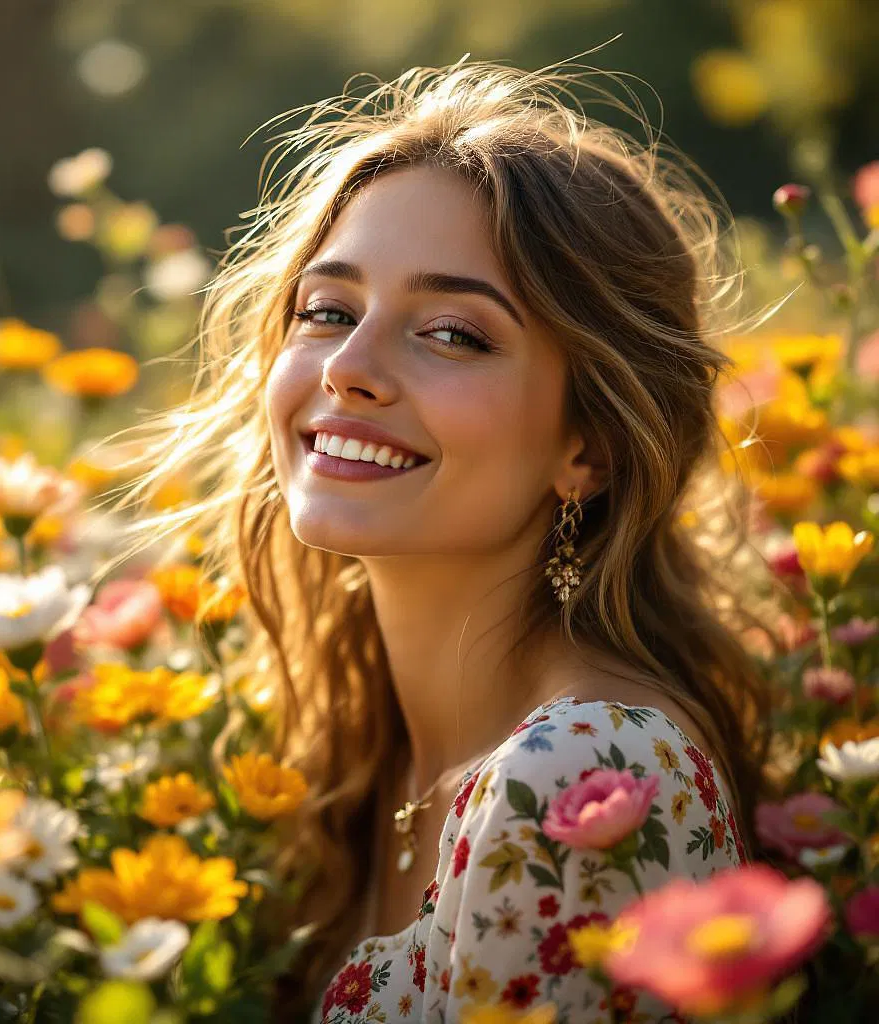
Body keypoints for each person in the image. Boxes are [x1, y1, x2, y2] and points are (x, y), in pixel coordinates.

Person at [115, 60, 779, 1022]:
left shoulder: (585, 777)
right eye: (329, 311)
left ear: (587, 447)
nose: (349, 369)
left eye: (454, 334)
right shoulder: (354, 754)